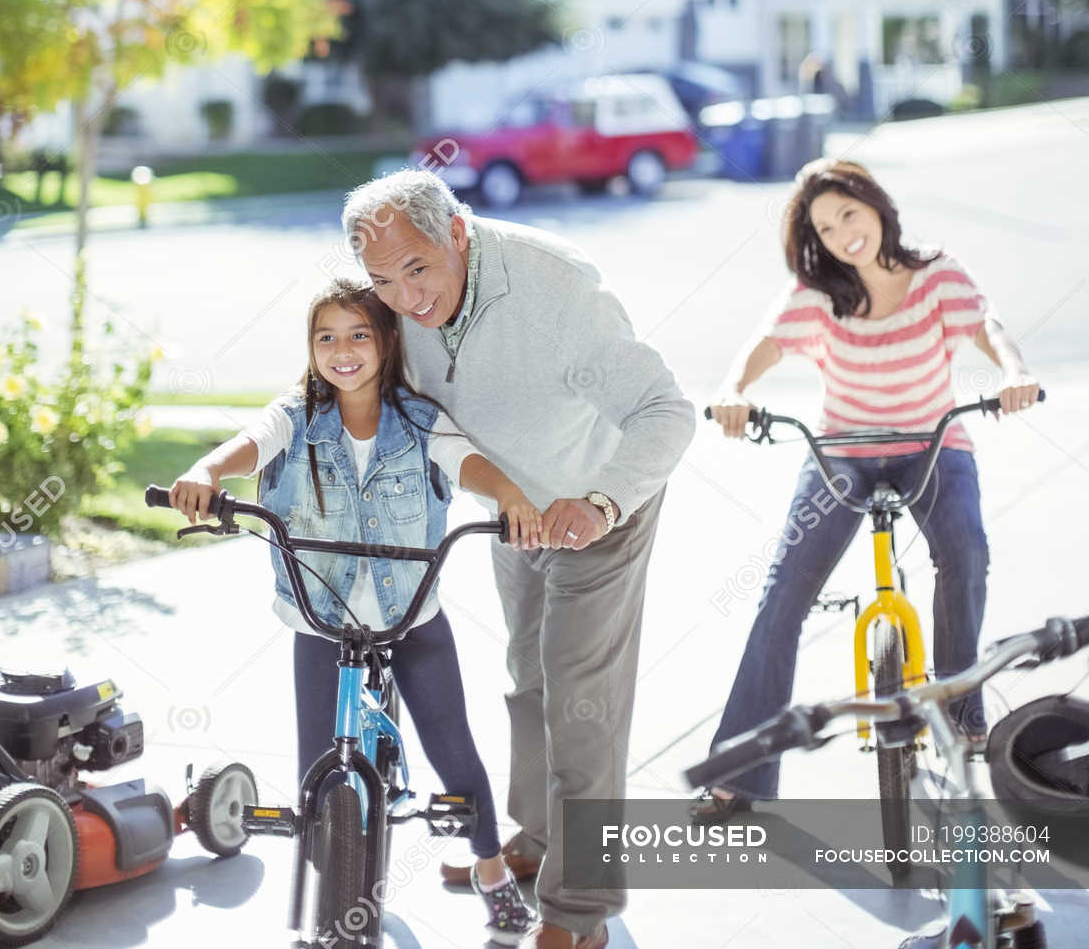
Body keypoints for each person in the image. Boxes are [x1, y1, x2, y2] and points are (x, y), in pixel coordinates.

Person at [341, 168, 696, 949]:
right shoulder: (392, 299)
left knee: (581, 703)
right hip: (514, 514)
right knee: (528, 681)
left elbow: (666, 411)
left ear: (457, 232)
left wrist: (601, 501)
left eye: (417, 269)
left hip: (598, 504)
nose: (404, 297)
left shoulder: (555, 290)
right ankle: (535, 843)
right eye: (381, 280)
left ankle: (582, 909)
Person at [169, 275, 541, 944]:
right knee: (318, 765)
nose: (344, 350)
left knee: (453, 751)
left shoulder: (420, 422)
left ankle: (491, 871)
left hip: (409, 620)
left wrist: (509, 496)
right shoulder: (297, 416)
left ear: (388, 340)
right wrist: (207, 472)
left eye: (359, 334)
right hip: (321, 619)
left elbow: (468, 464)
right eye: (327, 338)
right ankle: (334, 872)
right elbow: (251, 441)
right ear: (311, 349)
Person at [694, 157, 1041, 816]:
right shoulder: (818, 291)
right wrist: (733, 391)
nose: (841, 234)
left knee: (965, 552)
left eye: (849, 213)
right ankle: (741, 773)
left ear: (877, 206)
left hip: (931, 443)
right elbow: (765, 344)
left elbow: (985, 327)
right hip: (843, 452)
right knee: (782, 594)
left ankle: (963, 715)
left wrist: (1014, 373)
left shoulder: (937, 271)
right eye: (825, 228)